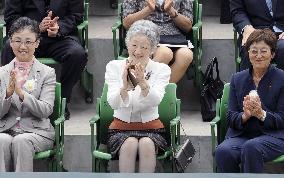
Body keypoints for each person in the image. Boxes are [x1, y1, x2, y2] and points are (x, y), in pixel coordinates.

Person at [1, 0, 88, 119]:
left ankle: (60, 101)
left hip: (60, 38)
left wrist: (59, 27)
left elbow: (76, 16)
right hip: (27, 37)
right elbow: (11, 18)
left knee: (77, 54)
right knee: (9, 47)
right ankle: (11, 102)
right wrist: (36, 28)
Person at [105, 20, 171, 172]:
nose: (138, 51)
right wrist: (124, 88)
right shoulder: (114, 66)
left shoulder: (162, 69)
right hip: (120, 129)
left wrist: (143, 83)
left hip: (152, 129)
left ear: (153, 49)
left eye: (144, 47)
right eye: (134, 45)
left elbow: (156, 100)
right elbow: (113, 103)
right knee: (129, 143)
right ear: (127, 45)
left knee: (147, 144)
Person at [215, 29, 284, 173]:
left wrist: (261, 114)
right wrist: (245, 115)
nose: (258, 56)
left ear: (272, 54)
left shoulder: (281, 78)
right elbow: (231, 117)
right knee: (223, 151)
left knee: (252, 147)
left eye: (264, 51)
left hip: (274, 136)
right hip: (243, 135)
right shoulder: (237, 78)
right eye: (254, 51)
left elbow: (282, 118)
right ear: (248, 53)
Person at [0, 17, 56, 172]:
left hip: (36, 131)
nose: (22, 46)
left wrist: (22, 93)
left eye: (28, 41)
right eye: (17, 41)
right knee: (1, 140)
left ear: (37, 43)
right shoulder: (2, 73)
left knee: (21, 141)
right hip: (5, 128)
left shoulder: (47, 73)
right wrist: (8, 95)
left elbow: (45, 110)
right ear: (10, 42)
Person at [122, 0, 193, 83]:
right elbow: (127, 23)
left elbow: (187, 26)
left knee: (186, 55)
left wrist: (171, 11)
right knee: (165, 53)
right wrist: (148, 9)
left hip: (175, 38)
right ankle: (140, 87)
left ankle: (157, 93)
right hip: (147, 34)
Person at [230, 0, 284, 71]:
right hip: (255, 30)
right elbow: (237, 12)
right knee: (252, 48)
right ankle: (248, 82)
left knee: (283, 48)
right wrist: (246, 27)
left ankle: (279, 81)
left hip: (282, 31)